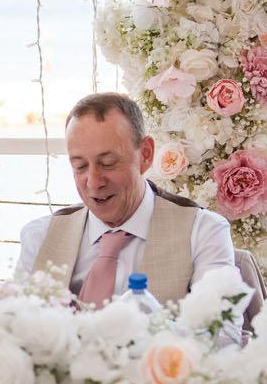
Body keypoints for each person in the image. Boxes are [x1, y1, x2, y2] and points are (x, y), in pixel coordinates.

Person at [14, 92, 237, 305]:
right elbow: (11, 328)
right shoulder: (39, 237)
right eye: (80, 166)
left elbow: (219, 333)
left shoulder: (203, 232)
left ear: (146, 155)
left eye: (108, 163)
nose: (93, 182)